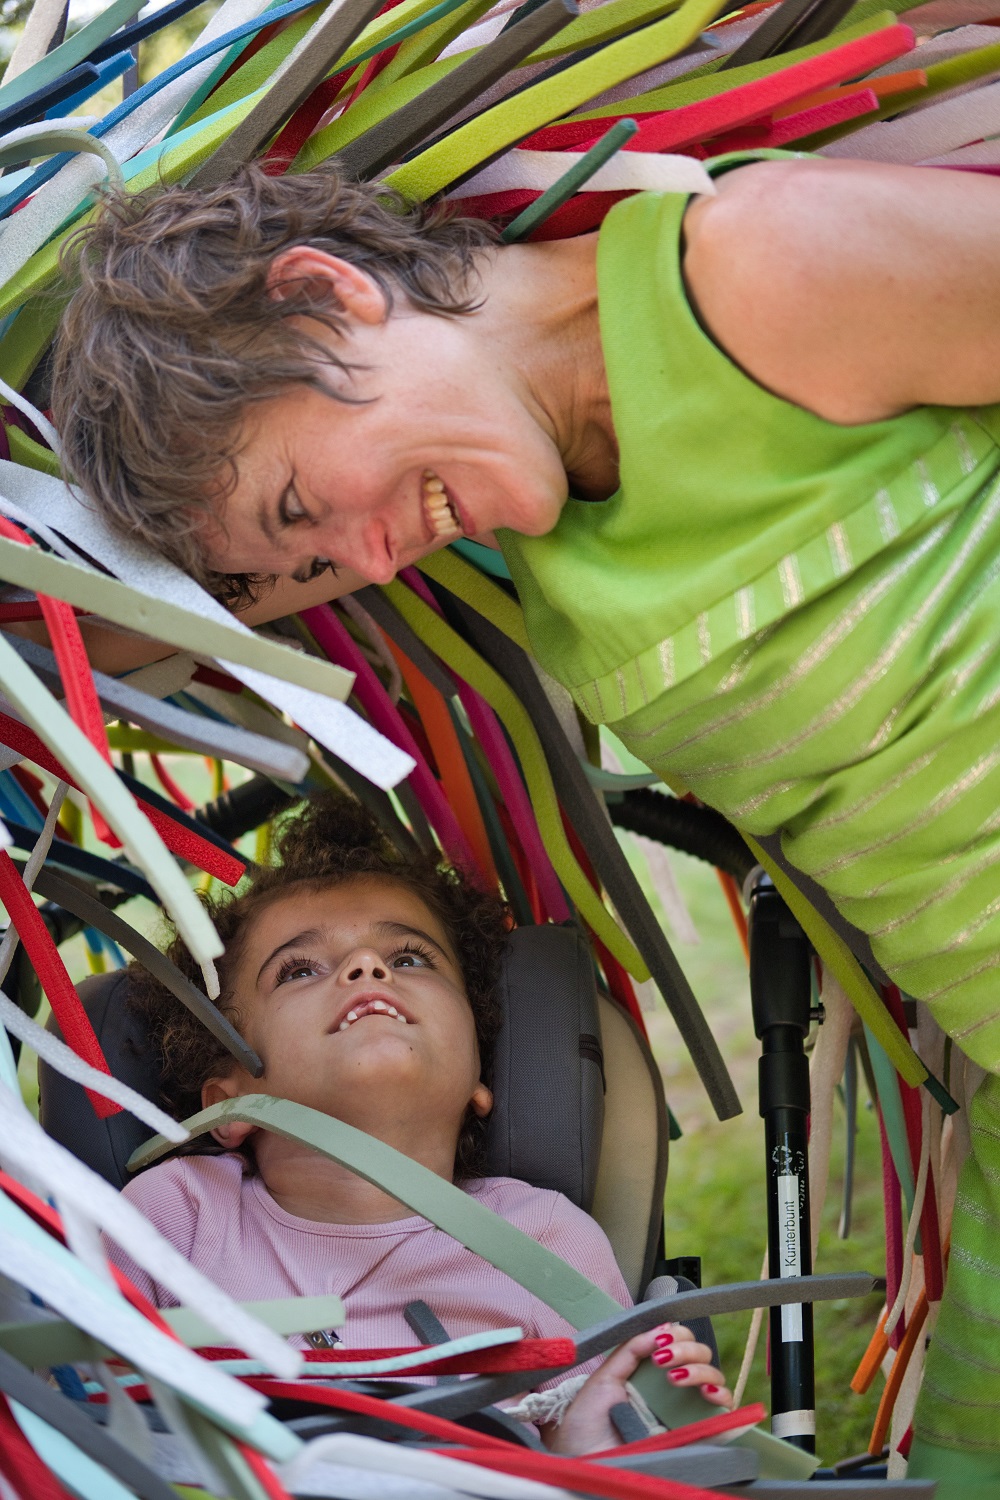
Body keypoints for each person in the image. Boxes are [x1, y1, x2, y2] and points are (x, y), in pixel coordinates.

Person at [58, 156, 1000, 1491]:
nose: (372, 558)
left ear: (328, 294)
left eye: (299, 504)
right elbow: (99, 620)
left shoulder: (757, 274)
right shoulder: (514, 539)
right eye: (311, 558)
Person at [106, 793, 730, 1456]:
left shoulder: (545, 1240)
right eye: (298, 970)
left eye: (409, 959)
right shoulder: (178, 1217)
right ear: (225, 1099)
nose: (365, 968)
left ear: (478, 1080)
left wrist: (603, 1420)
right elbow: (90, 1407)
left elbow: (578, 1451)